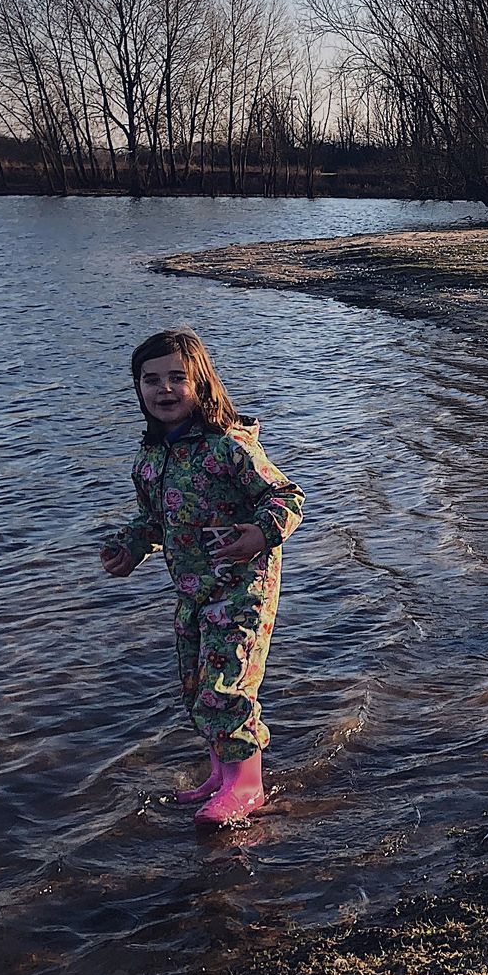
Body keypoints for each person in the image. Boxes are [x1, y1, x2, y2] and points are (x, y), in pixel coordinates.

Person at [100, 329, 305, 824]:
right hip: (191, 593)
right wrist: (129, 547)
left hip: (243, 589)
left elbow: (286, 497)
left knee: (227, 687)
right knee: (196, 689)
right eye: (152, 380)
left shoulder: (227, 446)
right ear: (138, 388)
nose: (164, 390)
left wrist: (260, 533)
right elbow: (153, 520)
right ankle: (221, 775)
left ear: (203, 385)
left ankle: (247, 785)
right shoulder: (150, 458)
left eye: (177, 378)